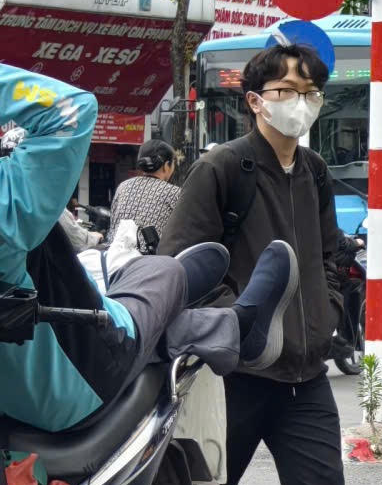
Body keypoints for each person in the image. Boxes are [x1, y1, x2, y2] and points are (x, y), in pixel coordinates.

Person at [162, 41, 382, 485]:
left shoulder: (313, 171)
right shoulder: (223, 169)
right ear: (256, 100)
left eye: (310, 89)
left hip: (304, 372)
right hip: (230, 373)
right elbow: (187, 263)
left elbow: (325, 253)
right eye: (287, 90)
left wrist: (324, 310)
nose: (300, 101)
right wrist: (244, 321)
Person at [1, 67, 293, 434]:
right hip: (71, 379)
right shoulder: (10, 204)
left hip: (16, 389)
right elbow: (74, 107)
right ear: (169, 167)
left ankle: (193, 307)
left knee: (139, 281)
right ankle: (223, 317)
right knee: (162, 273)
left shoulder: (124, 189)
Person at [110, 139, 185, 250]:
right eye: (173, 163)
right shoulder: (174, 193)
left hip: (114, 257)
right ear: (166, 165)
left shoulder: (123, 187)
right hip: (151, 262)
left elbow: (113, 224)